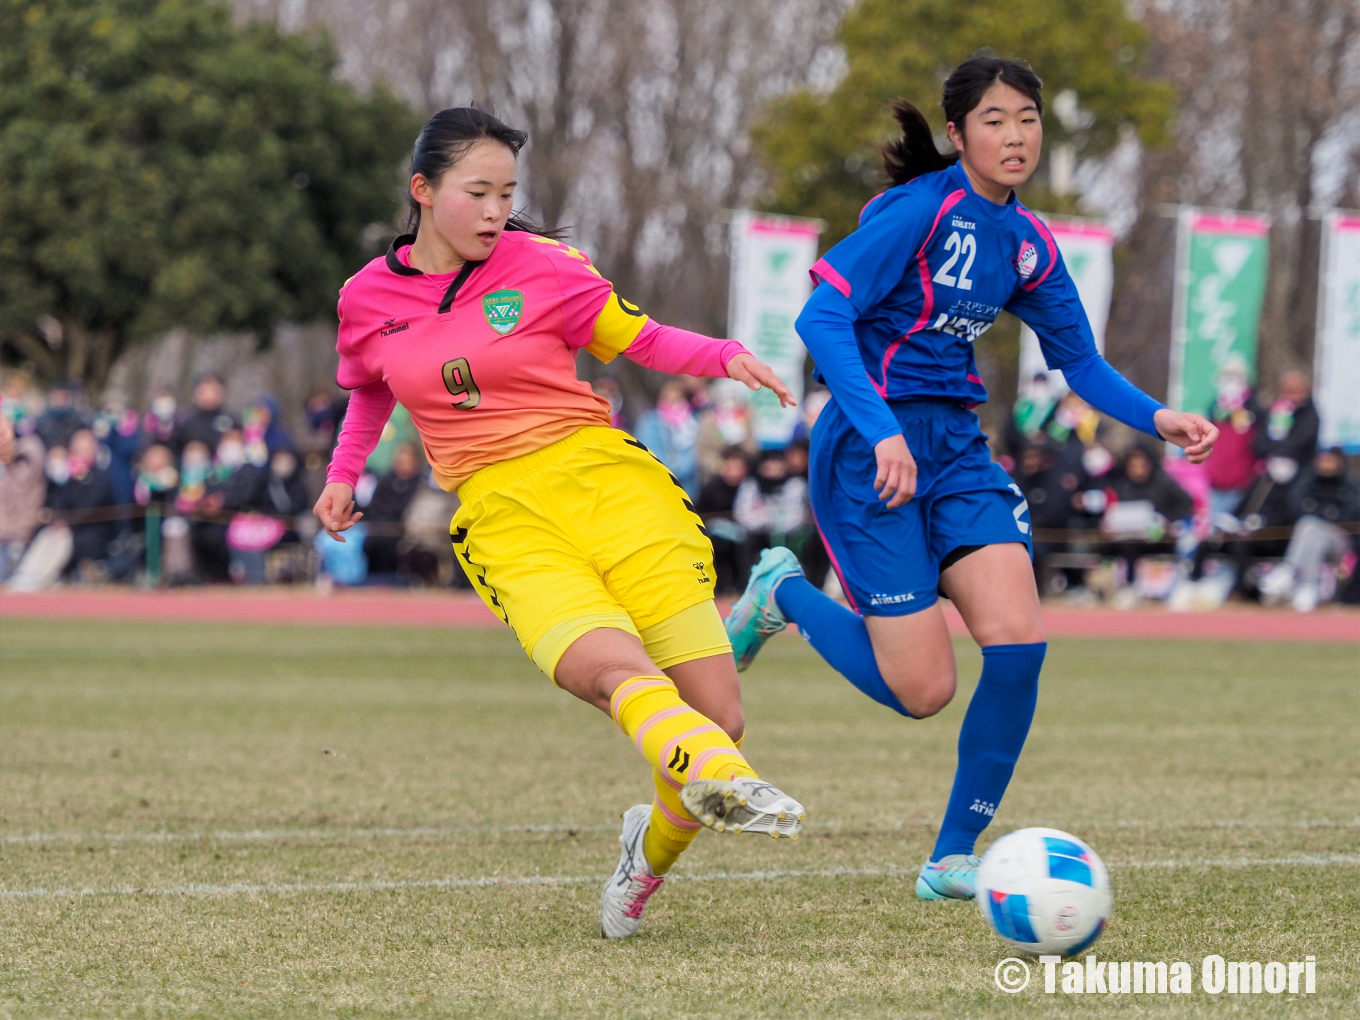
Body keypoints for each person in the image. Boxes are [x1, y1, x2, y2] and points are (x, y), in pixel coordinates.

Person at [725, 53, 1217, 902]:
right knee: (923, 691)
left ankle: (951, 856)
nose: (1015, 135)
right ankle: (784, 594)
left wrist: (1158, 416)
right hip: (868, 447)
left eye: (1027, 118)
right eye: (995, 120)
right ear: (958, 135)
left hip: (955, 448)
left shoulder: (1028, 242)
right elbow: (821, 316)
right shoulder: (919, 209)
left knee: (1019, 648)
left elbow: (1080, 363)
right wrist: (882, 430)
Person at [312, 107, 807, 939]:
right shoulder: (367, 297)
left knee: (718, 715)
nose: (496, 210)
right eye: (478, 192)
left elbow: (640, 338)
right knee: (613, 674)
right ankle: (725, 776)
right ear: (423, 190)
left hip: (613, 489)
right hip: (505, 515)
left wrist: (725, 356)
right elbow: (369, 386)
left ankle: (646, 857)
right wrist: (341, 474)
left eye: (507, 193)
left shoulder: (546, 266)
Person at [1258, 447, 1359, 612]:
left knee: (1310, 526)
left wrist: (1318, 512)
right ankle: (1308, 585)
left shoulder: (1350, 487)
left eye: (1330, 461)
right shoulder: (1308, 482)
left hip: (1340, 541)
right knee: (1311, 530)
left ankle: (1290, 569)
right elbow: (1296, 509)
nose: (1326, 465)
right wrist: (1328, 513)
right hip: (1312, 537)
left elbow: (1349, 517)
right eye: (1323, 460)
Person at [696, 447, 752, 594]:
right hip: (714, 533)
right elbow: (700, 513)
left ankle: (743, 585)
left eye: (738, 467)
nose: (734, 471)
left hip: (746, 531)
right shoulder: (712, 487)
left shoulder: (749, 486)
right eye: (730, 466)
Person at [172, 373, 237, 459]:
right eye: (204, 391)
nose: (209, 396)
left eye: (213, 391)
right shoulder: (186, 423)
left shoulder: (231, 421)